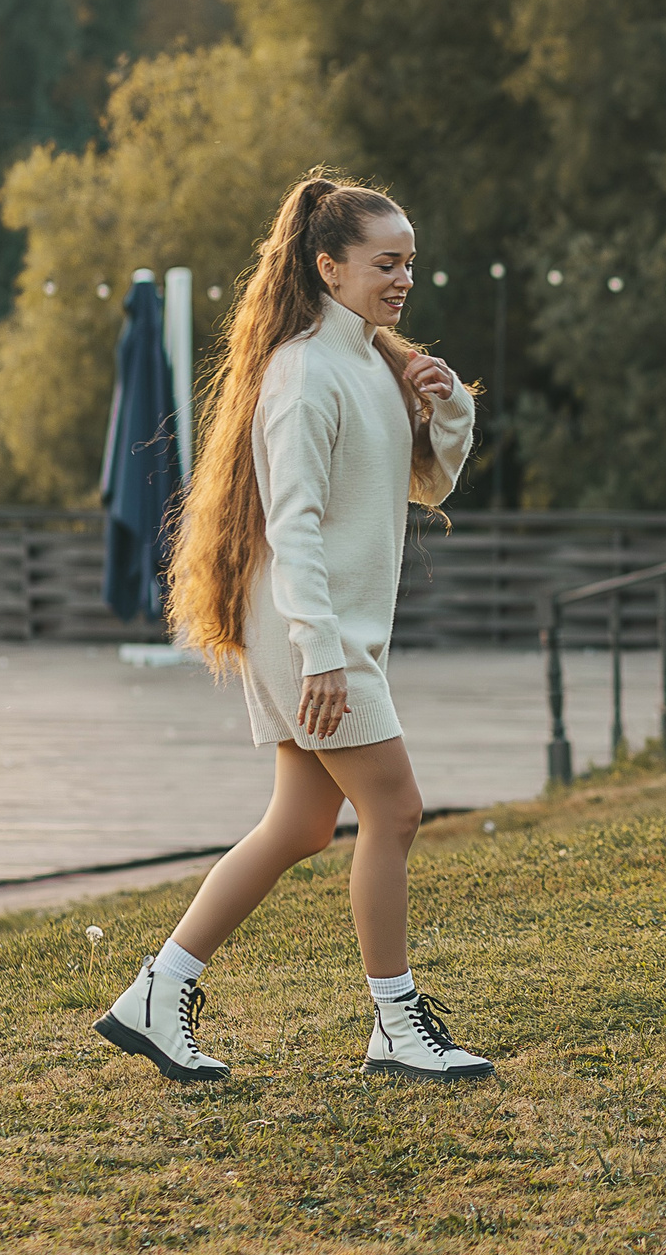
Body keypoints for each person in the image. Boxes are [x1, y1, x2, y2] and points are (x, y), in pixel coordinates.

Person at [95, 172, 493, 1083]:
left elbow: (426, 487)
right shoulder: (306, 370)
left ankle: (156, 994)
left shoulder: (372, 361)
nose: (402, 280)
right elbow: (294, 521)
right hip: (313, 634)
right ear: (328, 265)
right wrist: (321, 653)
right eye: (385, 263)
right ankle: (396, 1023)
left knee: (302, 824)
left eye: (409, 264)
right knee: (395, 808)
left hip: (328, 630)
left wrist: (447, 406)